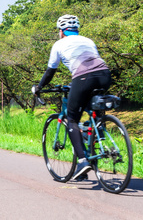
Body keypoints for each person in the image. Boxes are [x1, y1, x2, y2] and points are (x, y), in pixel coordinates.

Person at [36, 14, 111, 180]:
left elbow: (50, 71)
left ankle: (83, 161)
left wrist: (39, 87)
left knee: (71, 119)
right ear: (76, 30)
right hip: (105, 75)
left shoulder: (59, 44)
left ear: (62, 31)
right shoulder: (88, 41)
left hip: (83, 77)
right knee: (92, 109)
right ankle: (96, 129)